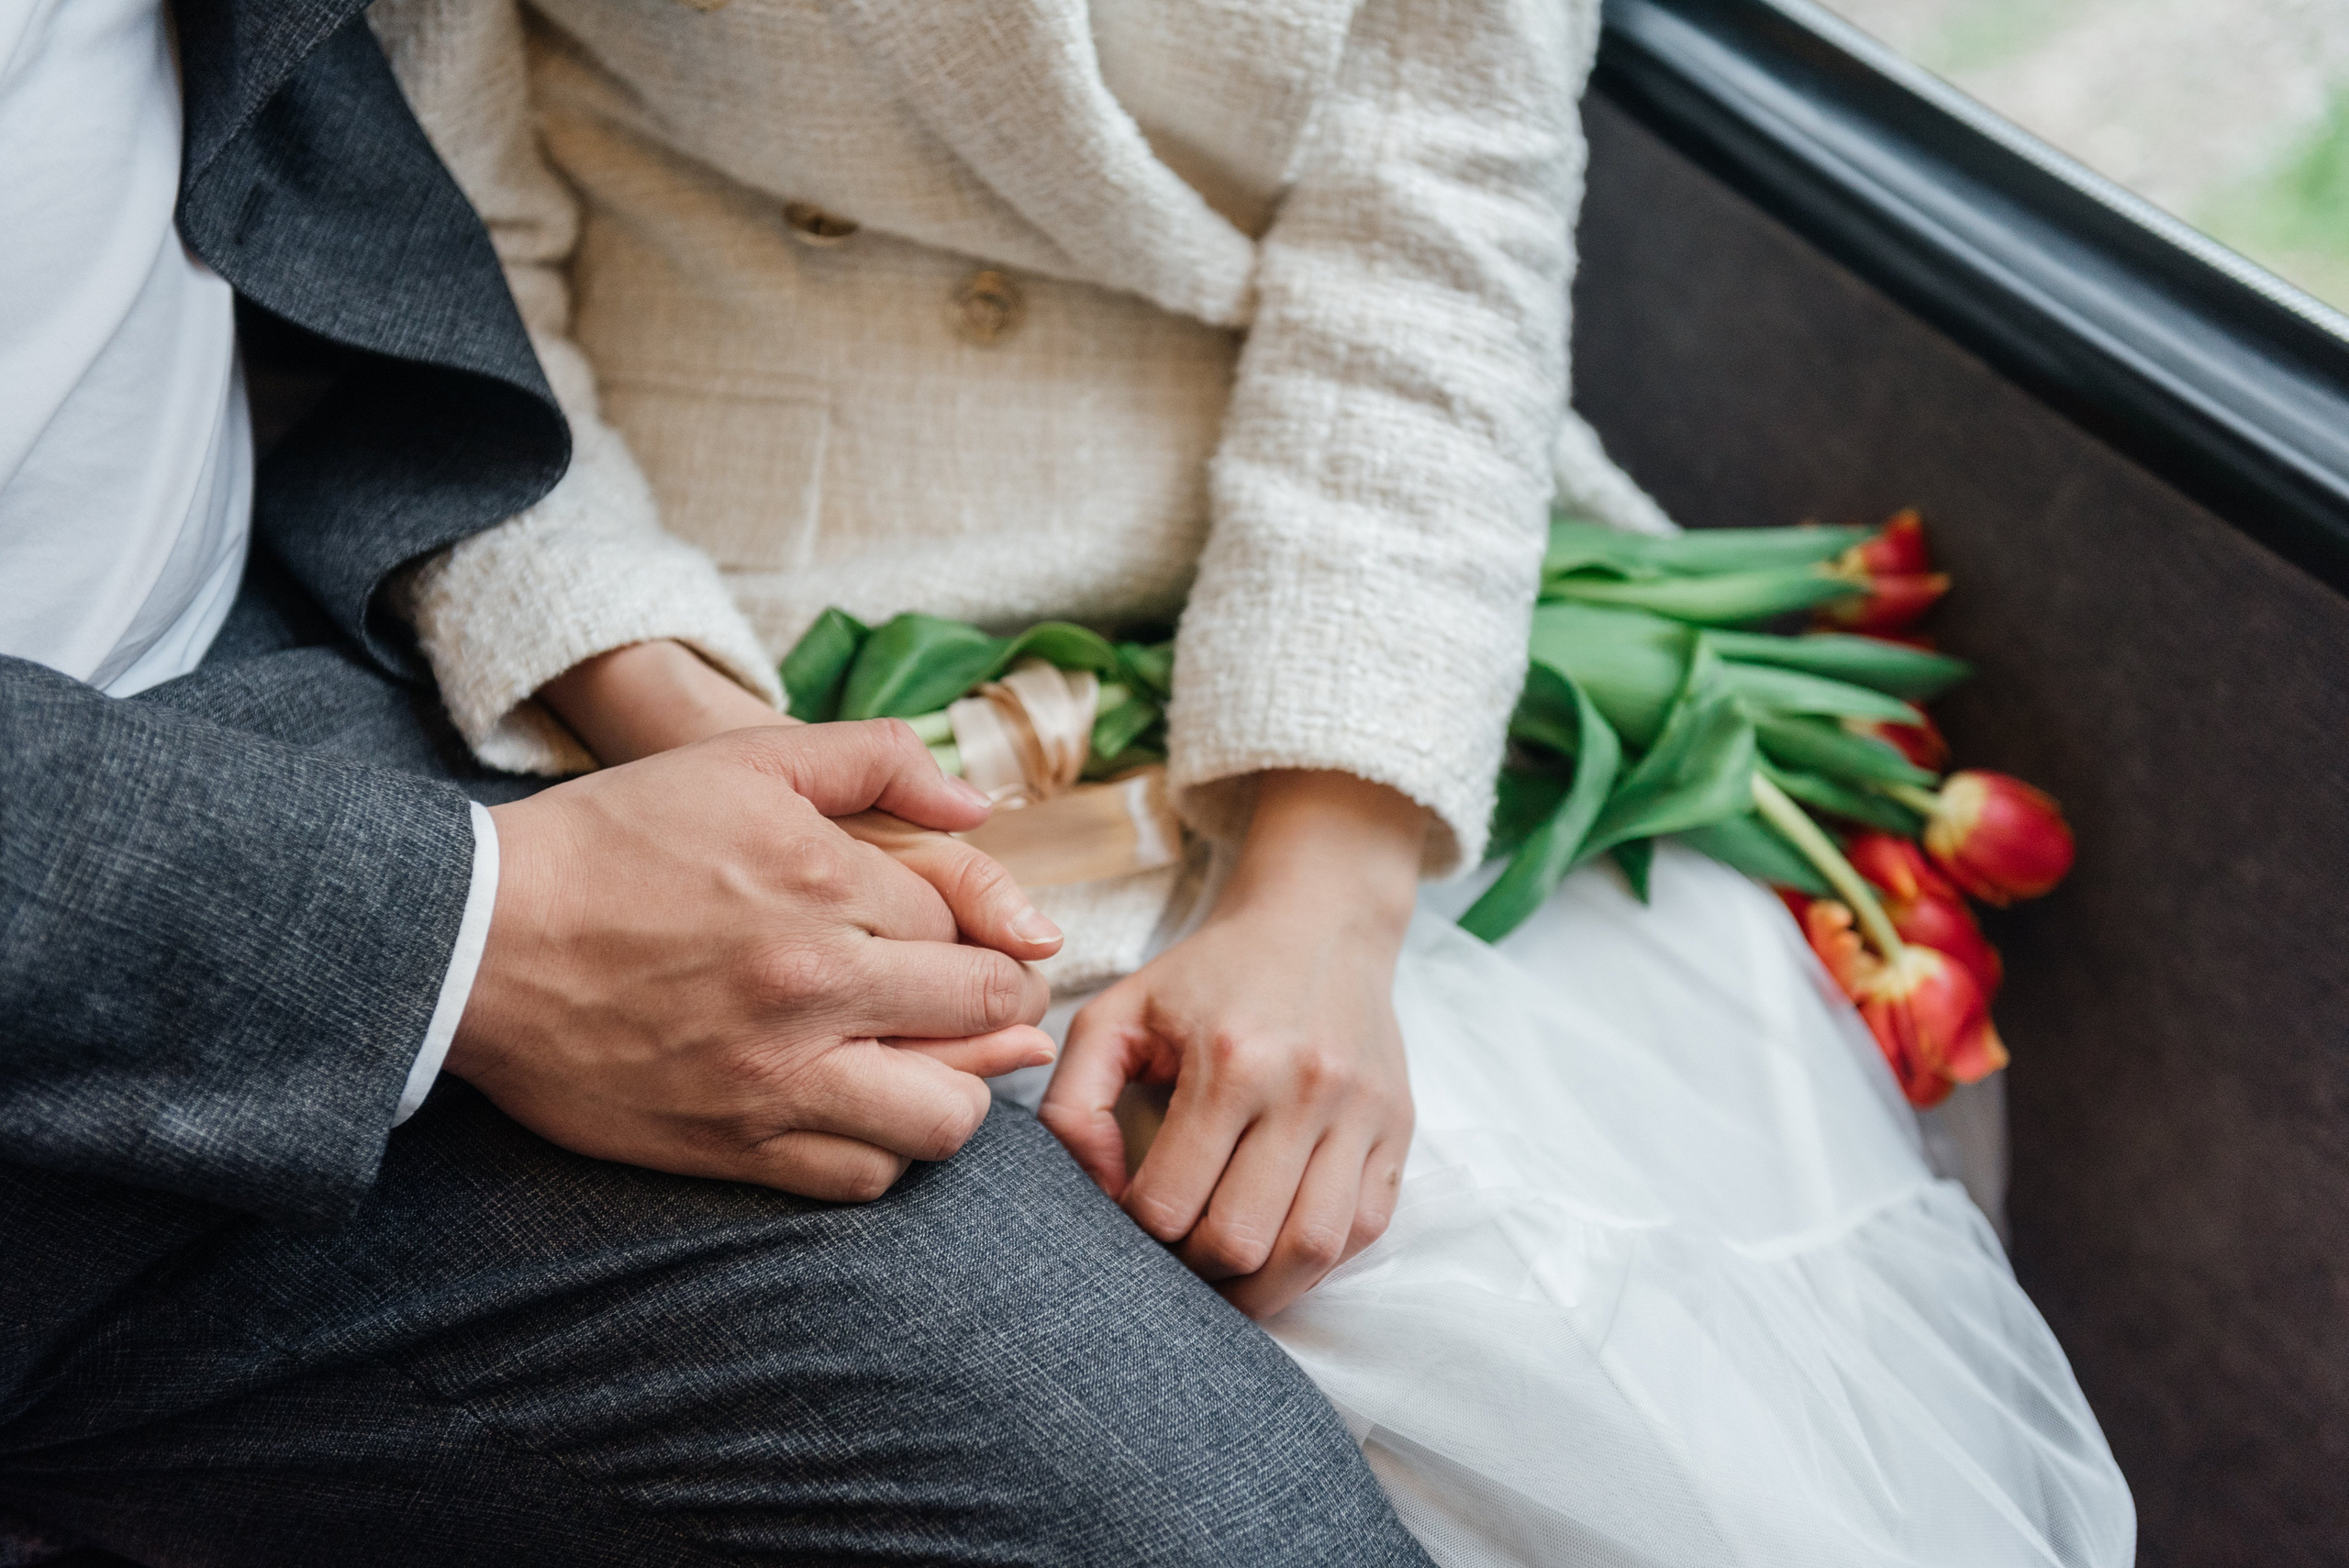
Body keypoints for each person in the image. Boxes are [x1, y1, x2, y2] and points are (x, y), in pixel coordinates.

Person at [362, 0, 2141, 1562]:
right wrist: (705, 752)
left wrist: (1322, 907)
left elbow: (1434, 261)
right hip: (730, 667)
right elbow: (423, 256)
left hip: (1341, 646)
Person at [0, 2, 1437, 1562]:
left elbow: (372, 237)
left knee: (1235, 1522)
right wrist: (480, 932)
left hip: (274, 696)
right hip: (298, 886)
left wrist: (1327, 883)